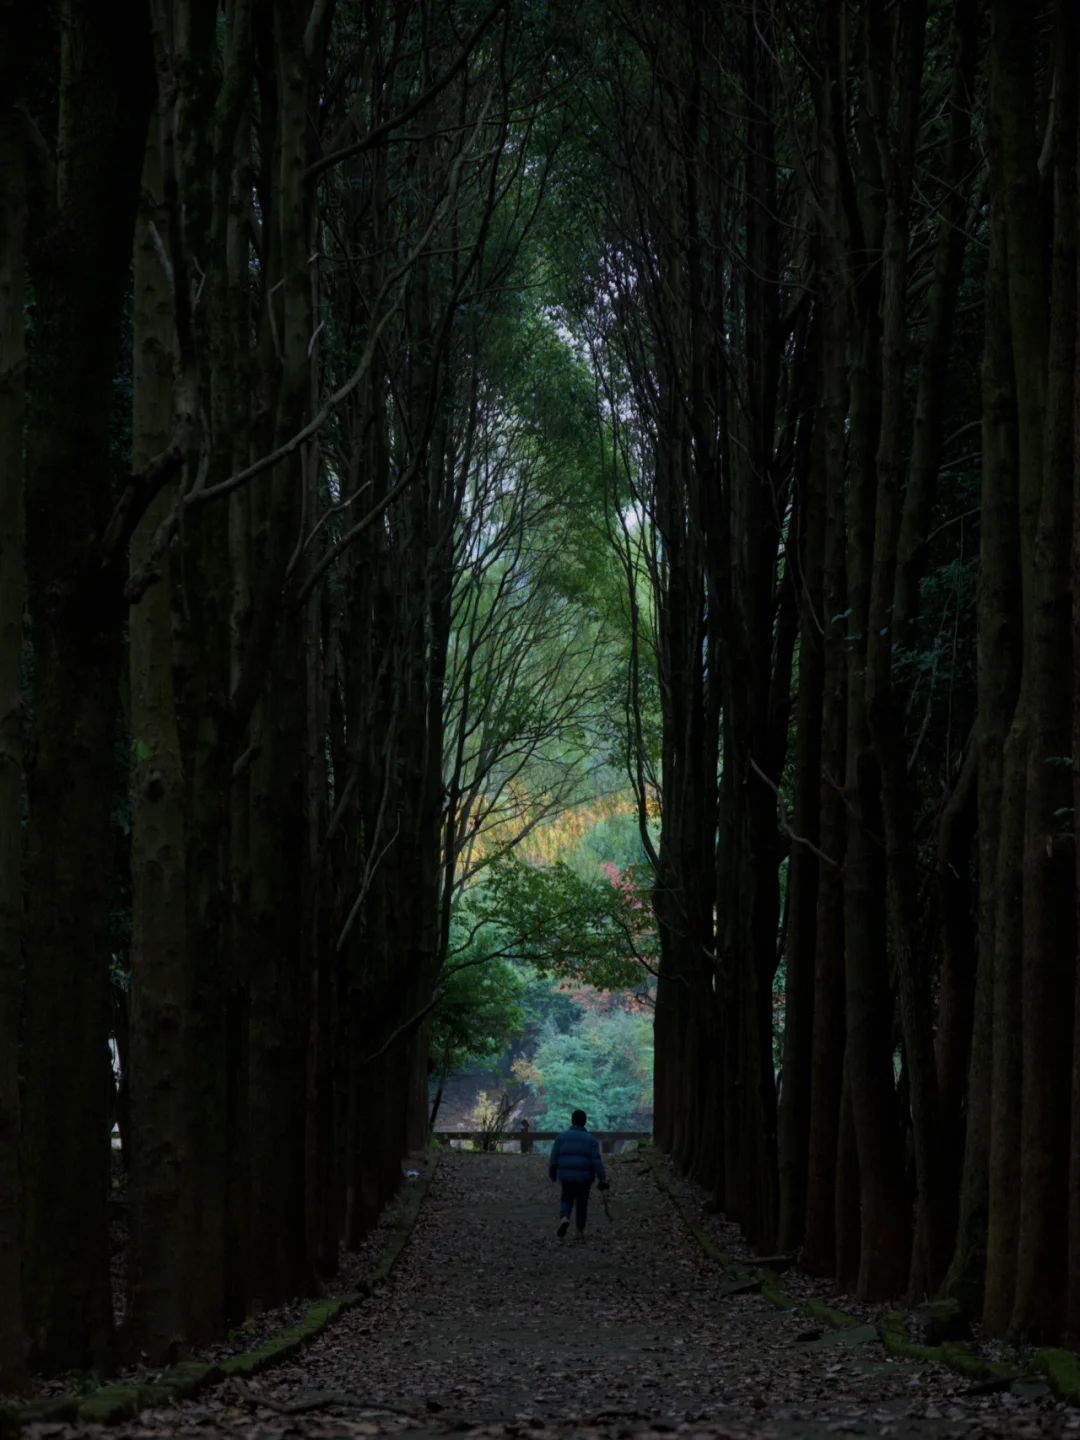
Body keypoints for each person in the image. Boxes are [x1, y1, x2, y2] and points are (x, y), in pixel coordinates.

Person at [548, 1108, 609, 1239]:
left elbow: (553, 1158)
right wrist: (602, 1178)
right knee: (582, 1204)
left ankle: (564, 1217)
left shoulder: (561, 1137)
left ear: (572, 1121)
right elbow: (596, 1161)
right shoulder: (591, 1139)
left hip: (567, 1177)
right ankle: (579, 1231)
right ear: (584, 1122)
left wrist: (552, 1174)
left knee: (566, 1199)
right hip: (584, 1178)